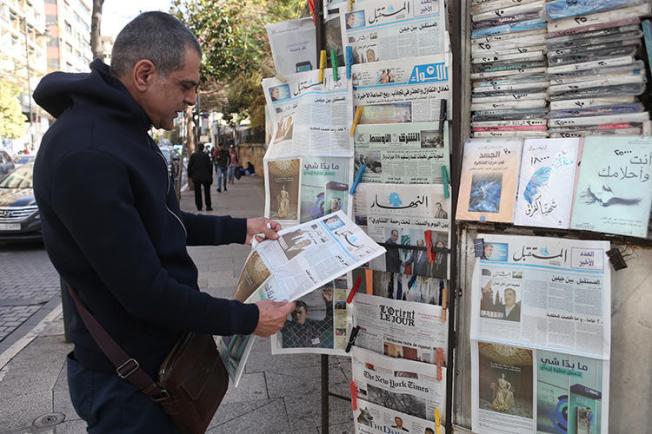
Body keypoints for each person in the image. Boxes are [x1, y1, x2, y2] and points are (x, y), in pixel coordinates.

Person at [32, 12, 295, 433]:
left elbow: (162, 220)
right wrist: (248, 319)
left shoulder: (124, 131)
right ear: (144, 74)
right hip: (128, 385)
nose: (192, 99)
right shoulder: (88, 152)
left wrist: (241, 228)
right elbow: (145, 293)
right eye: (186, 85)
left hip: (156, 362)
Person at [188, 144, 213, 211]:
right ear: (203, 148)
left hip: (196, 177)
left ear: (198, 148)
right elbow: (210, 166)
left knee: (197, 192)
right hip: (206, 176)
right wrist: (210, 175)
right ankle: (208, 206)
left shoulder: (193, 156)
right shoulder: (206, 156)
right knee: (207, 192)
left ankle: (199, 206)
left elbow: (189, 166)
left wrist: (190, 176)